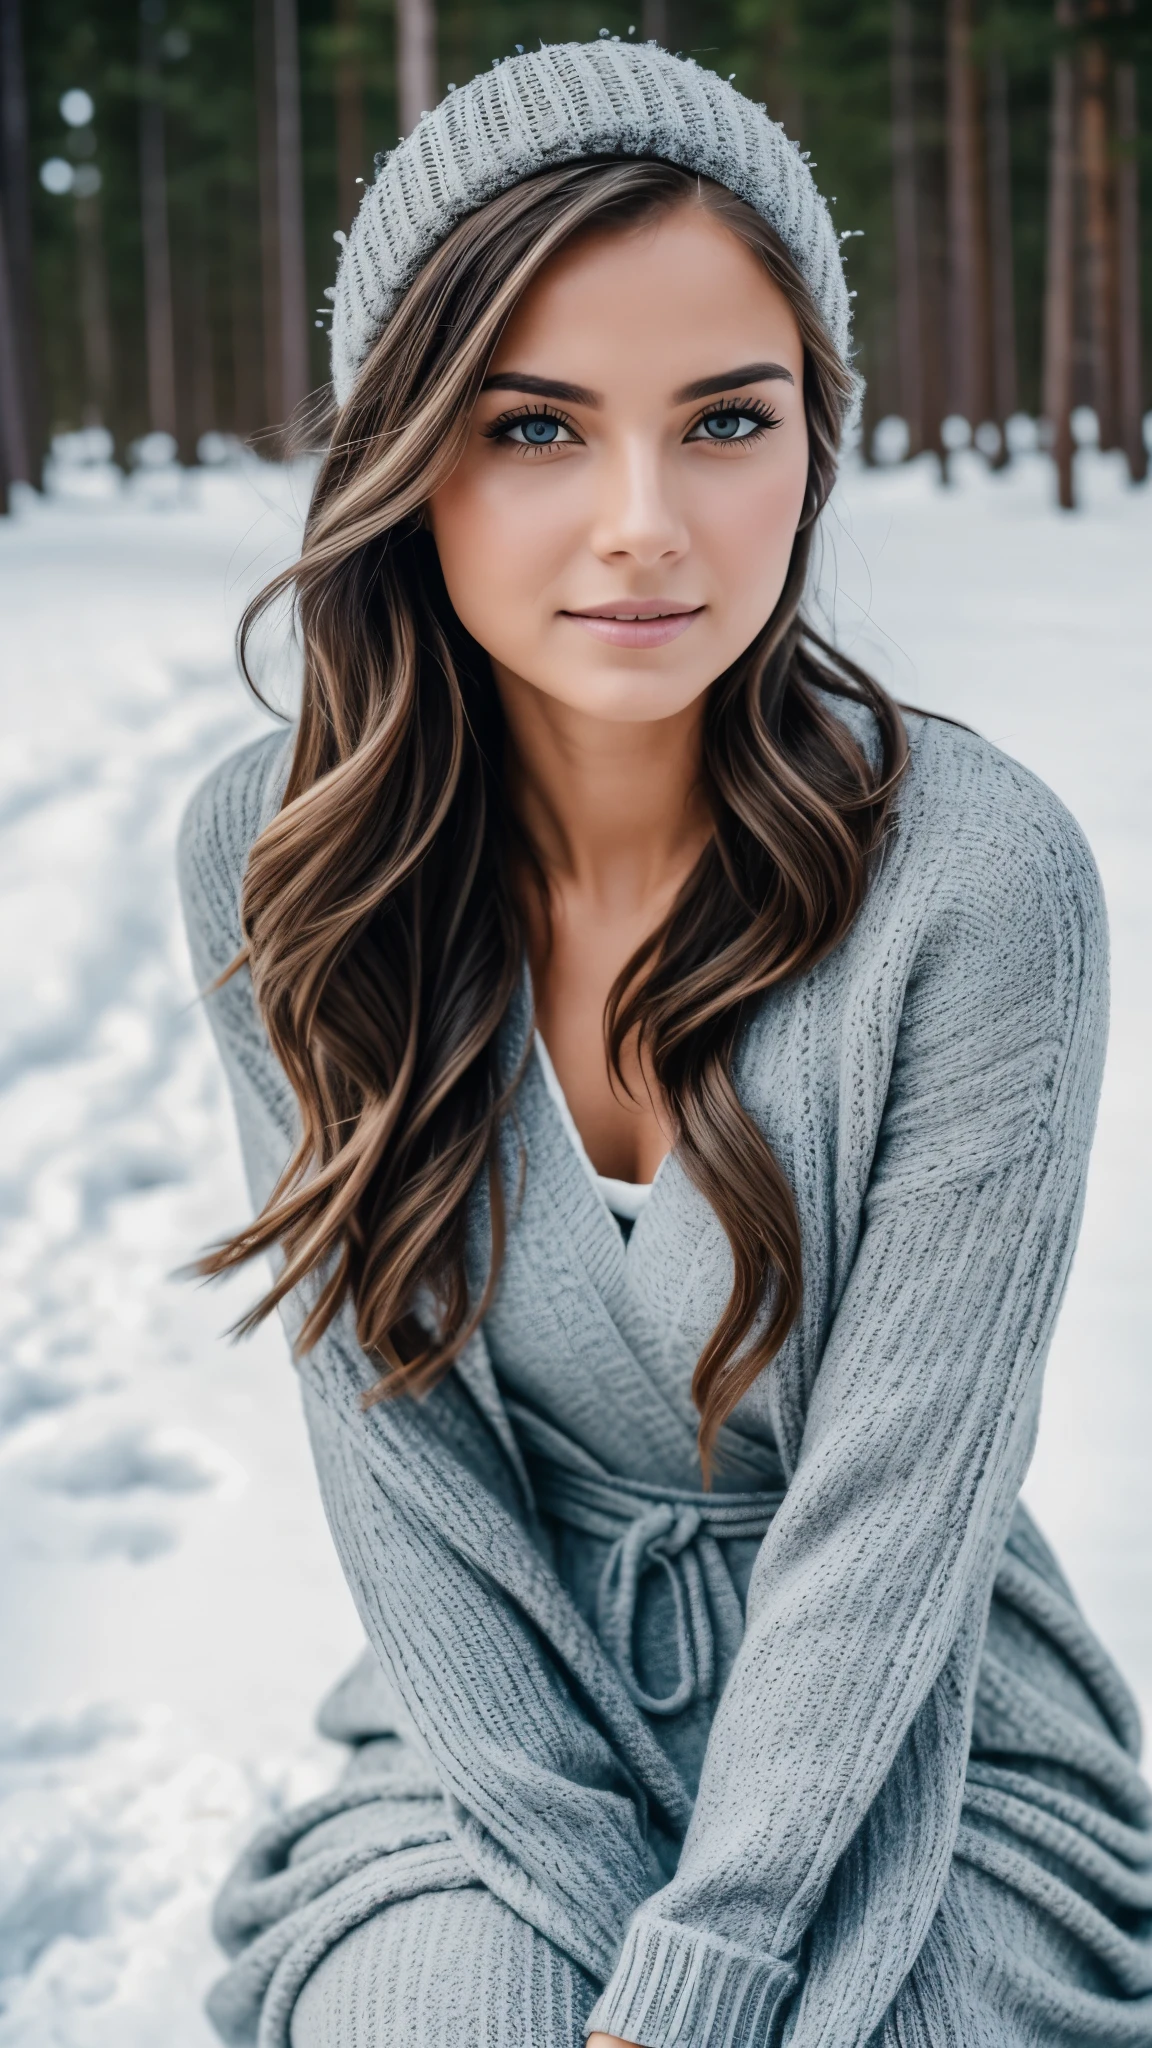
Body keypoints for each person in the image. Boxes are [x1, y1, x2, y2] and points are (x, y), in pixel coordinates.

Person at [178, 38, 1152, 2048]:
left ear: (818, 440)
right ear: (403, 452)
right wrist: (589, 1926)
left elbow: (903, 1496)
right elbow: (403, 1471)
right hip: (503, 1719)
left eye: (727, 419)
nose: (647, 522)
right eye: (536, 428)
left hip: (922, 1731)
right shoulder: (279, 860)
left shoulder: (983, 882)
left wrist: (709, 1972)